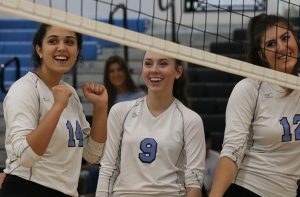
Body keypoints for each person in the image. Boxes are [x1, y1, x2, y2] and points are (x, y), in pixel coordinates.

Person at [0, 24, 108, 197]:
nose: (62, 47)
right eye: (53, 41)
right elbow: (26, 157)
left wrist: (101, 108)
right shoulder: (24, 89)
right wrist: (57, 107)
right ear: (39, 49)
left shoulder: (70, 93)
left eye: (69, 42)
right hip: (28, 189)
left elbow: (92, 155)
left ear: (77, 50)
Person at [210, 13, 300, 197]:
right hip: (248, 189)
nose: (282, 47)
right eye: (271, 44)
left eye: (285, 38)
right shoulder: (248, 89)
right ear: (261, 54)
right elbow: (232, 151)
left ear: (295, 39)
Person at [96, 50, 206, 197]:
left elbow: (194, 183)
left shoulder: (190, 120)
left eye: (163, 64)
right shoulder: (120, 111)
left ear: (178, 72)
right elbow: (108, 169)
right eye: (148, 63)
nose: (154, 69)